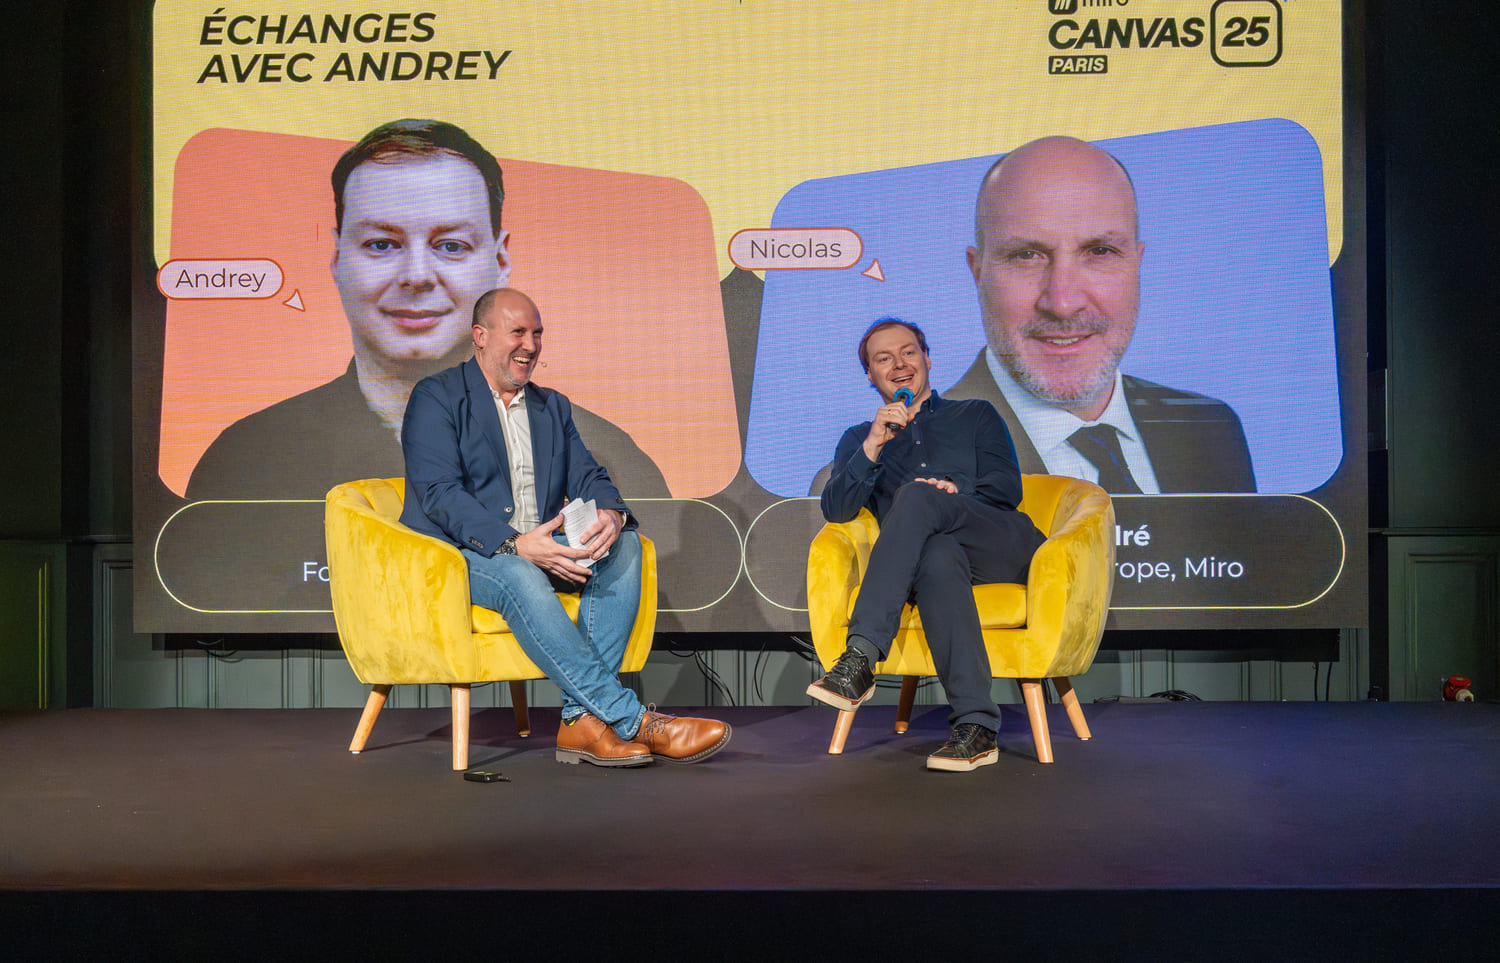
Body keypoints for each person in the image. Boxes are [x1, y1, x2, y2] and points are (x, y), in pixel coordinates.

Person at [186, 118, 667, 499]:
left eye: (451, 246)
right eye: (381, 243)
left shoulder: (606, 459)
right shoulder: (245, 462)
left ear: (500, 261)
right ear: (337, 258)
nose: (416, 275)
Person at [400, 287, 730, 767]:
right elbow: (439, 493)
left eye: (537, 334)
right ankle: (634, 720)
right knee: (519, 573)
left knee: (626, 547)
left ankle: (581, 722)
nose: (531, 345)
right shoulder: (438, 397)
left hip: (539, 543)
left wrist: (611, 515)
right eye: (518, 332)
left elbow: (588, 476)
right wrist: (515, 544)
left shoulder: (550, 406)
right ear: (480, 336)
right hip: (462, 554)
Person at [951, 135, 1255, 493]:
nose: (1062, 303)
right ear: (977, 271)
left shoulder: (1209, 429)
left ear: (1136, 264)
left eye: (1100, 251)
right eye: (1026, 255)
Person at [810, 318, 1046, 772]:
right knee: (936, 556)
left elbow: (1006, 487)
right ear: (870, 375)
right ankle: (976, 727)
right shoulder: (860, 438)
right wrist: (874, 445)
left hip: (997, 542)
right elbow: (836, 509)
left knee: (918, 495)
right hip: (936, 562)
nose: (899, 365)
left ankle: (860, 657)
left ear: (927, 359)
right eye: (884, 359)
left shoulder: (975, 414)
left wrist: (954, 490)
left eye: (908, 352)